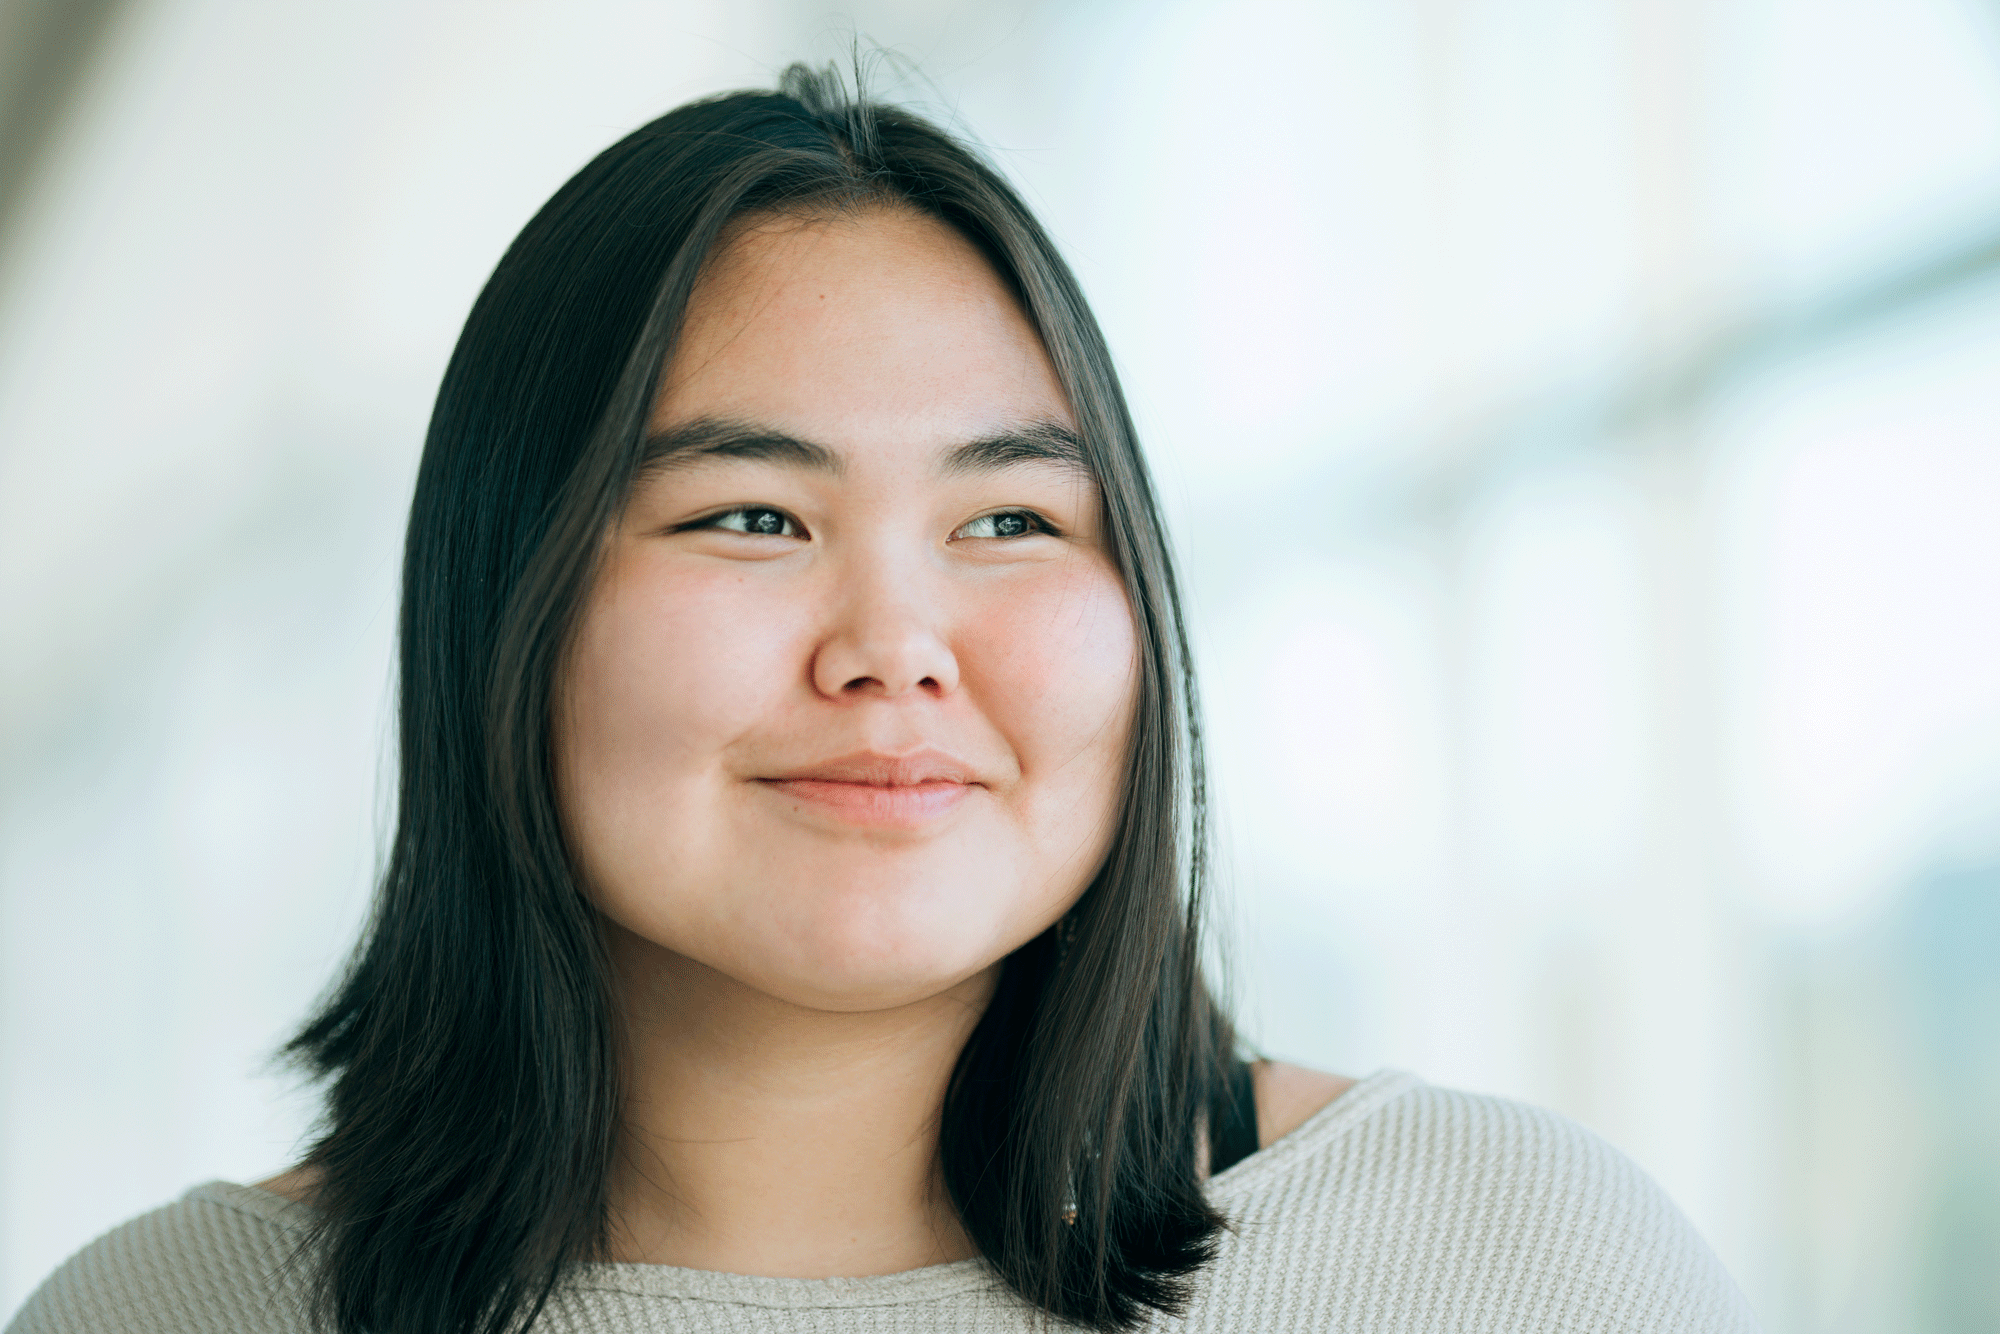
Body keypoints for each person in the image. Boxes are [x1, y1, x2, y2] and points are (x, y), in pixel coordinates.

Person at [6, 66, 1759, 1334]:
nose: (895, 645)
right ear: (502, 610)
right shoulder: (163, 1315)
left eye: (1010, 519)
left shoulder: (1510, 1265)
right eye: (753, 517)